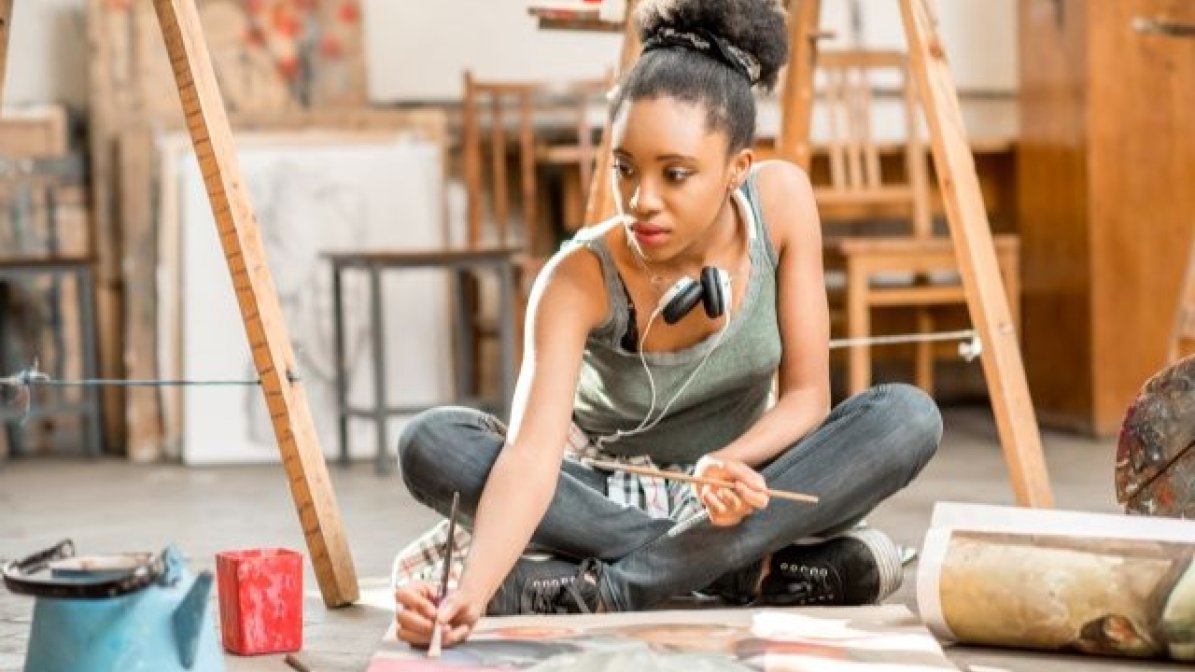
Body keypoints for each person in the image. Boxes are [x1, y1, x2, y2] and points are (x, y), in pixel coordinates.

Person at [392, 0, 942, 649]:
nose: (641, 200)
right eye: (624, 168)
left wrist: (728, 463)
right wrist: (473, 592)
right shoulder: (574, 280)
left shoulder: (784, 202)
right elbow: (532, 458)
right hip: (602, 494)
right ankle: (736, 569)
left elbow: (807, 398)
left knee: (906, 418)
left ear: (736, 169)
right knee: (431, 444)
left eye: (675, 174)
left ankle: (614, 587)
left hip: (744, 485)